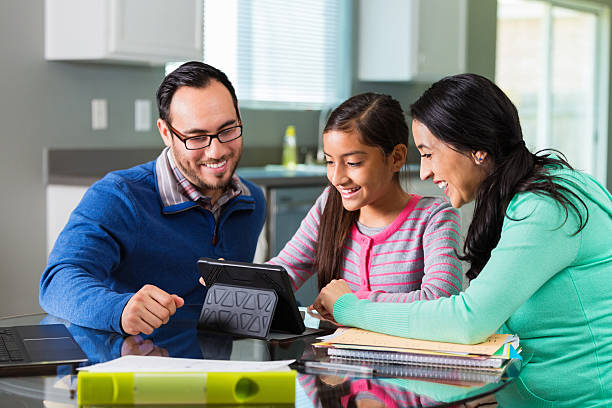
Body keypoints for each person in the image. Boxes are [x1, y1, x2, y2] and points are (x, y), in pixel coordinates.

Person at [311, 74, 612, 407]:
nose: (424, 172)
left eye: (428, 153)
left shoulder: (545, 208)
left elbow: (468, 320)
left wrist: (349, 307)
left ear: (475, 149)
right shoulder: (536, 193)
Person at [39, 62, 265, 336]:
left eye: (228, 130)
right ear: (166, 133)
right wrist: (119, 309)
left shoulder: (251, 202)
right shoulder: (118, 196)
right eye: (196, 137)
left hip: (214, 369)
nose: (216, 151)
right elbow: (57, 281)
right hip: (134, 364)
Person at [268, 93, 463, 304]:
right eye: (330, 162)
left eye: (353, 163)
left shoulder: (434, 219)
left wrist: (348, 302)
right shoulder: (329, 205)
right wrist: (236, 281)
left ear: (396, 158)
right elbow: (285, 271)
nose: (337, 178)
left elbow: (441, 300)